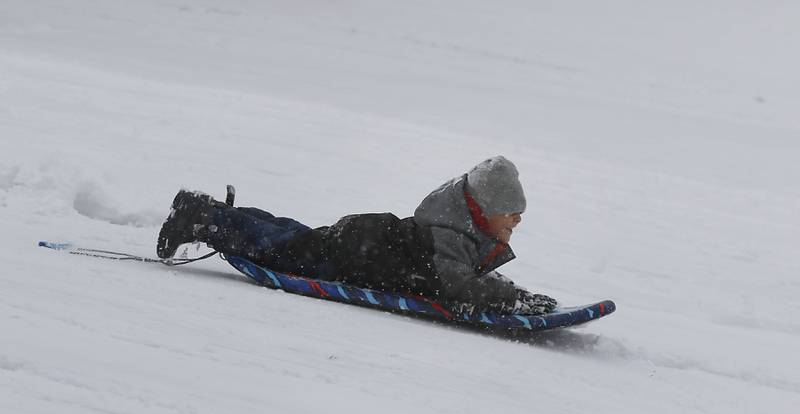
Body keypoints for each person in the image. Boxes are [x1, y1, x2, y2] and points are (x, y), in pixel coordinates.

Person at [156, 156, 557, 314]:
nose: (517, 222)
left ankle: (213, 211)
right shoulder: (450, 233)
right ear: (483, 211)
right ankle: (202, 219)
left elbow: (469, 275)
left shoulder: (463, 230)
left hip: (365, 240)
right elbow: (457, 284)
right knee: (281, 248)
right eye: (511, 214)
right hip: (358, 256)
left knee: (294, 236)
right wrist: (510, 301)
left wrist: (514, 293)